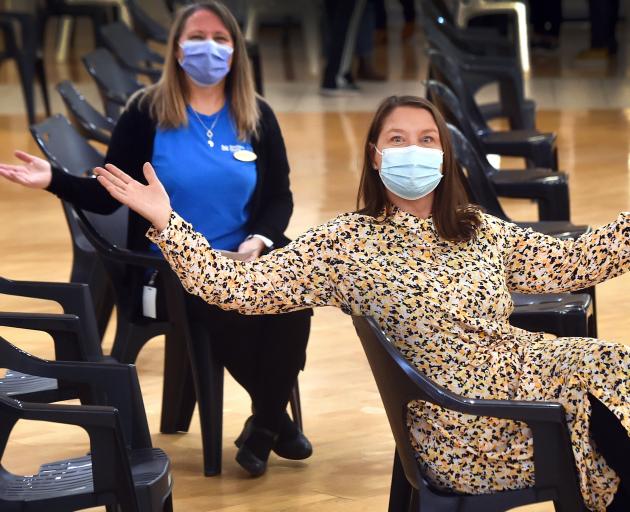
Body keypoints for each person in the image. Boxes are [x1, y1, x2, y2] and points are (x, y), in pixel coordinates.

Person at [92, 95, 627, 511]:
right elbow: (236, 289)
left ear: (444, 153)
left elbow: (573, 264)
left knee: (616, 370)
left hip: (524, 383)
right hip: (467, 423)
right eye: (398, 138)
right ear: (375, 155)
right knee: (605, 418)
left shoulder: (475, 229)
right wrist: (166, 222)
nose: (413, 150)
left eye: (426, 138)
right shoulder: (348, 243)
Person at [0, 1, 313, 477]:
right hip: (166, 273)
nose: (208, 47)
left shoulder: (257, 115)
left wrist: (259, 240)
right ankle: (273, 422)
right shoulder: (147, 113)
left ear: (235, 50)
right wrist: (54, 179)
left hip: (243, 260)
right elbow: (108, 196)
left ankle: (266, 424)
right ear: (176, 47)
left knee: (296, 295)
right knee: (217, 299)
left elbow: (279, 198)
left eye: (220, 38)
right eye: (197, 36)